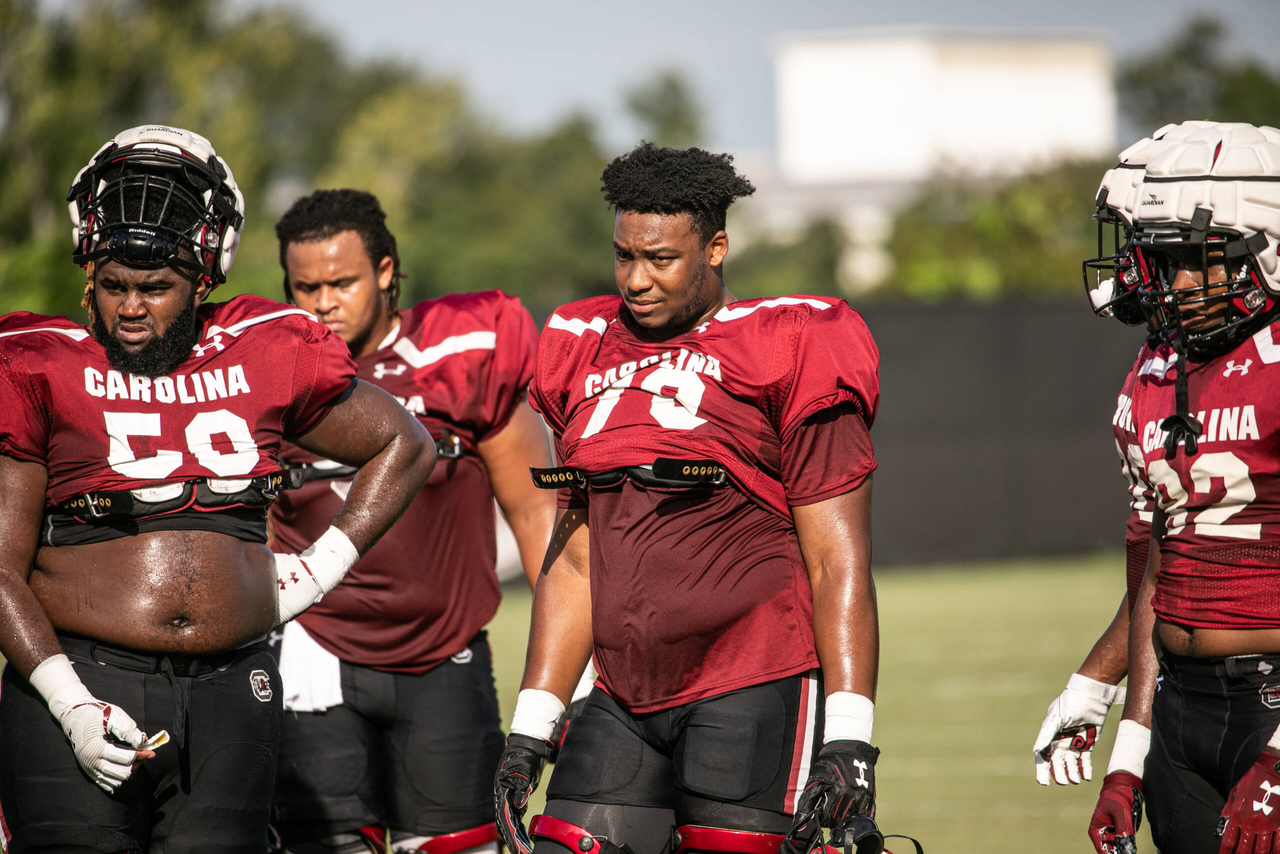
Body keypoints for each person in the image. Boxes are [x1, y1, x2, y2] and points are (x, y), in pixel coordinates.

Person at [0, 126, 435, 853]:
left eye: (155, 288)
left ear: (203, 279)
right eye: (113, 286)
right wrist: (69, 703)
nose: (131, 309)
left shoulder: (263, 344)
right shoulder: (40, 364)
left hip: (235, 690)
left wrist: (315, 572)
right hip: (80, 683)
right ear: (88, 278)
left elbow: (405, 443)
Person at [491, 142, 882, 854]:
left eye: (661, 259)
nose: (636, 280)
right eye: (623, 256)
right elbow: (575, 562)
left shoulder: (789, 342)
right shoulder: (581, 346)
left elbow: (837, 561)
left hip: (751, 681)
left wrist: (850, 735)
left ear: (716, 248)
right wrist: (532, 724)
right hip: (622, 696)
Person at [266, 189, 557, 854]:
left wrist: (574, 669)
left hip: (443, 654)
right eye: (305, 286)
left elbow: (538, 515)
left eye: (341, 282)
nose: (322, 302)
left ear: (387, 272)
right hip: (314, 653)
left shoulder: (461, 352)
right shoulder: (270, 367)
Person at [1083, 121, 1280, 854]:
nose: (1177, 284)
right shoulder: (1158, 363)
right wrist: (1129, 757)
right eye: (1164, 260)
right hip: (1181, 705)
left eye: (1200, 260)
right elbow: (1156, 571)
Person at [1032, 142, 1158, 789]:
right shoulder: (1161, 362)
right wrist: (1098, 681)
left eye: (1152, 239)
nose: (1129, 259)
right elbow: (1167, 568)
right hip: (1188, 689)